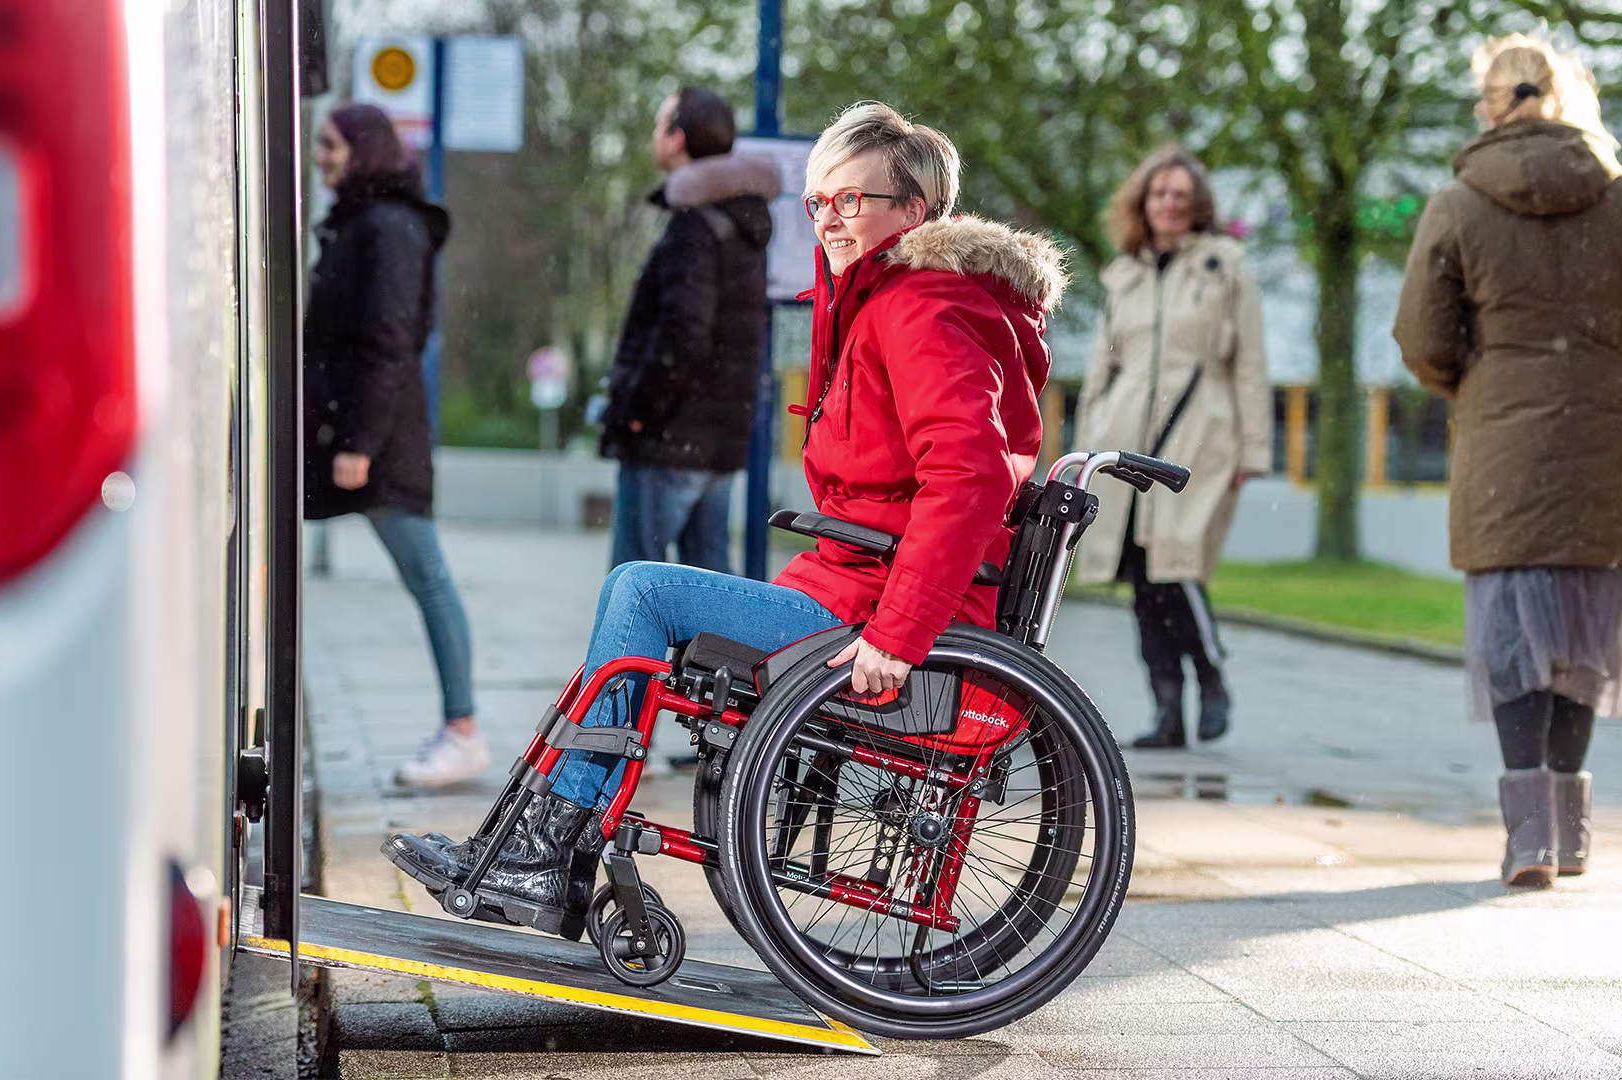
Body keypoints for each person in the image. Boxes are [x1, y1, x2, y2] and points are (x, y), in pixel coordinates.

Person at [383, 101, 1067, 937]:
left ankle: (551, 850)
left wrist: (898, 635)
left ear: (913, 213)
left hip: (884, 613)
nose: (830, 218)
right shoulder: (878, 297)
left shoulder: (921, 304)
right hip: (856, 587)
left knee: (642, 591)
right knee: (632, 609)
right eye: (819, 201)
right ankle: (544, 850)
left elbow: (968, 474)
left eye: (853, 199)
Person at [1394, 34, 1622, 888]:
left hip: (1503, 451)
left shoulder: (1458, 201)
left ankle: (1528, 839)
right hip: (1604, 442)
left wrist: (1480, 378)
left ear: (1489, 105)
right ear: (1569, 95)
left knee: (1514, 640)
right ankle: (1571, 835)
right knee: (1586, 640)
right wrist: (1600, 356)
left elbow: (1423, 339)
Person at [304, 104, 491, 788]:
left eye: (328, 146)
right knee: (426, 578)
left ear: (363, 150)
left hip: (374, 435)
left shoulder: (388, 227)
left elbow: (387, 342)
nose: (320, 157)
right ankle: (461, 727)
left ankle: (464, 730)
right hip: (358, 429)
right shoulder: (366, 223)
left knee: (429, 578)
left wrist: (358, 442)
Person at [1071, 147, 1271, 749]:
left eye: (1181, 195)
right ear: (1143, 201)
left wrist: (1252, 450)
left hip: (1202, 436)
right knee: (1143, 581)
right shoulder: (1122, 274)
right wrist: (1086, 451)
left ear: (1197, 204)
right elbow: (1101, 371)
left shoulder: (1225, 265)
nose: (1170, 204)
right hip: (1126, 439)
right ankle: (1167, 713)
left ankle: (1212, 680)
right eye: (1160, 193)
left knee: (1178, 568)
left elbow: (1251, 364)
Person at [598, 88, 780, 573]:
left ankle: (627, 657)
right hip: (718, 439)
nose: (655, 136)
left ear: (677, 138)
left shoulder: (694, 226)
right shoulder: (743, 224)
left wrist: (637, 410)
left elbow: (683, 331)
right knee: (707, 592)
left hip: (669, 437)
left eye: (660, 126)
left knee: (634, 586)